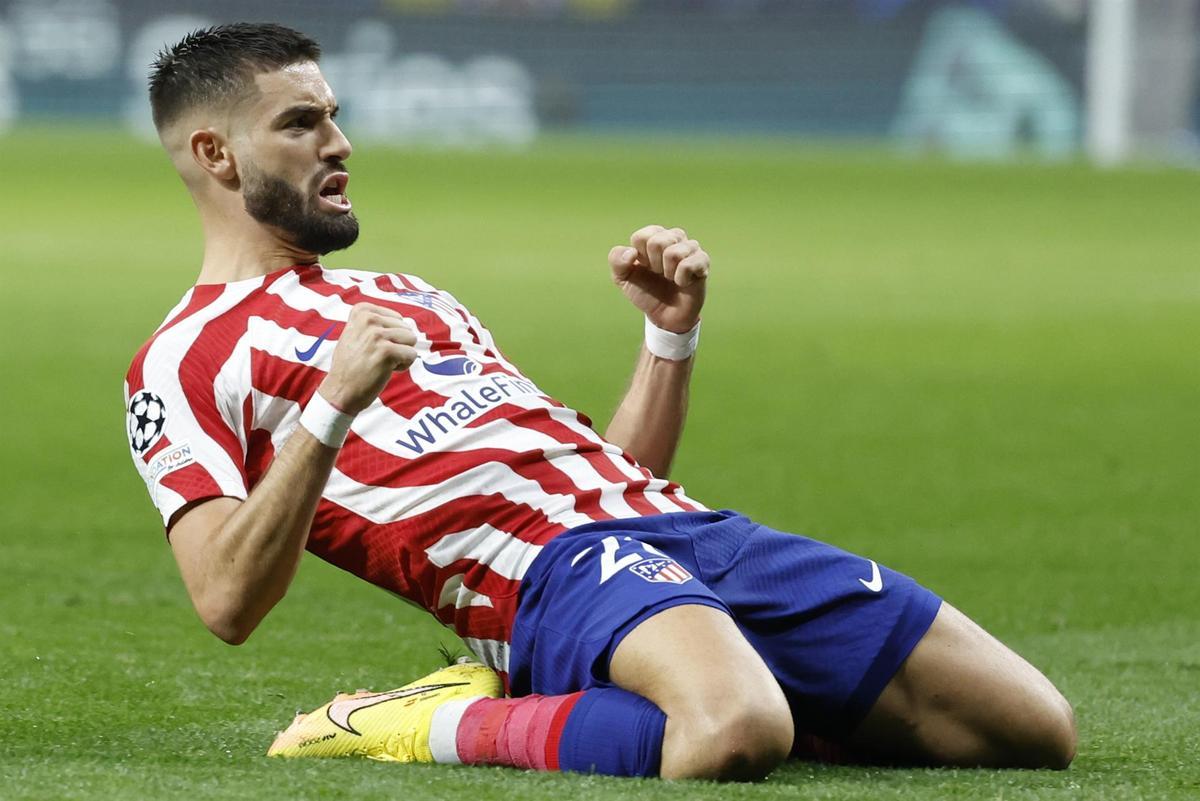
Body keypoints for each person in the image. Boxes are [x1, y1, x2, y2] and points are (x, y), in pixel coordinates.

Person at [124, 22, 1075, 781]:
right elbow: (225, 599)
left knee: (1030, 727)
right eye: (301, 123)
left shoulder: (413, 295)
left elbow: (616, 474)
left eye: (333, 113)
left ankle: (710, 687)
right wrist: (330, 406)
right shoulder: (181, 360)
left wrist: (669, 340)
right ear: (213, 151)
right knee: (733, 728)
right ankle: (433, 720)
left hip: (687, 533)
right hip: (543, 578)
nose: (340, 142)